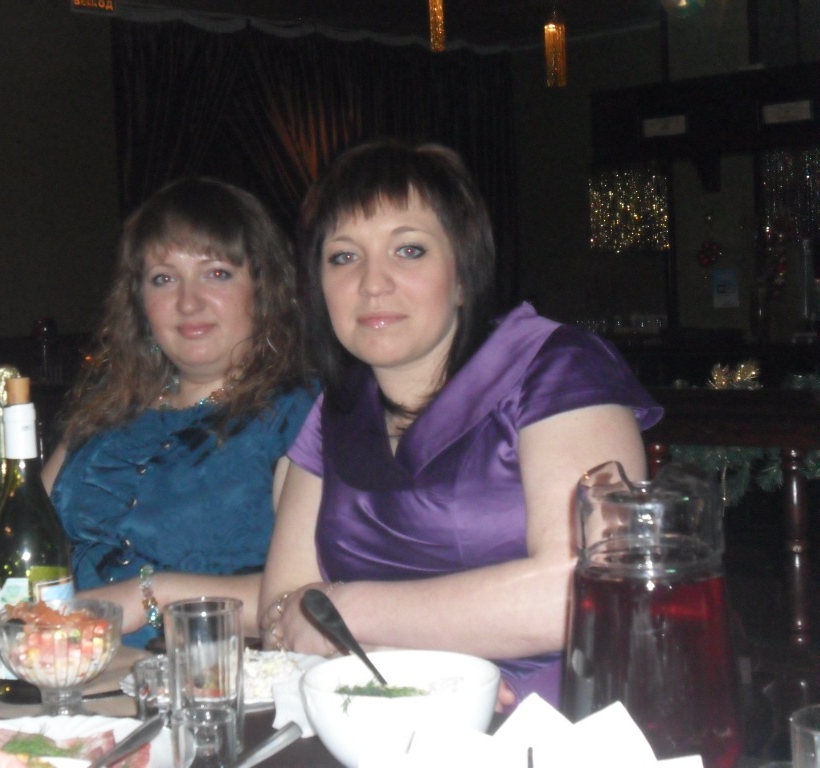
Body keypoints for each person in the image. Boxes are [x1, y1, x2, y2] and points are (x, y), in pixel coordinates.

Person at [258, 140, 662, 709]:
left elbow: (584, 588)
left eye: (409, 250)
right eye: (344, 257)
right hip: (383, 719)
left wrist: (346, 609)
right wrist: (412, 667)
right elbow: (280, 608)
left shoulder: (556, 367)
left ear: (464, 276)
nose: (373, 282)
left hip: (560, 719)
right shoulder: (337, 410)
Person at [43, 177, 316, 648]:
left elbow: (302, 603)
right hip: (67, 663)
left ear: (263, 286)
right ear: (138, 301)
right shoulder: (107, 407)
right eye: (163, 279)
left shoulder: (302, 414)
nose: (188, 302)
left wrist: (153, 595)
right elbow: (28, 539)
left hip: (213, 675)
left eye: (217, 273)